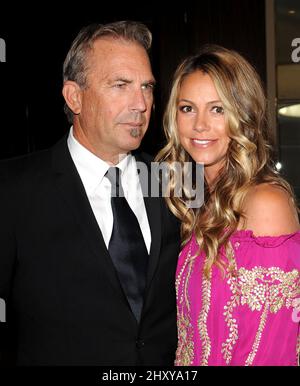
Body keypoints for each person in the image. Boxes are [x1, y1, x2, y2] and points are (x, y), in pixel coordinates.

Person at [0, 21, 180, 366]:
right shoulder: (13, 189)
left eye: (147, 87)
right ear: (74, 96)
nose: (141, 104)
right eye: (120, 85)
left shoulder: (174, 178)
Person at [156, 45, 300, 366]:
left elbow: (275, 348)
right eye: (187, 108)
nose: (200, 125)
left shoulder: (265, 204)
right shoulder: (195, 197)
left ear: (243, 116)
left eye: (218, 109)